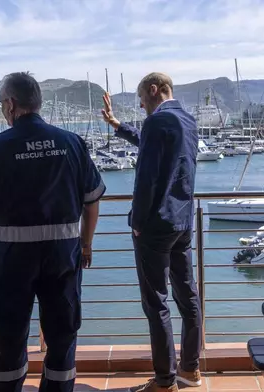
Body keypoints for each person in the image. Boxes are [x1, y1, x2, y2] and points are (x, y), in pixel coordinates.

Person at [0, 72, 104, 392]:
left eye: (1, 103)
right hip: (64, 253)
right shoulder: (71, 142)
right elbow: (91, 202)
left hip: (12, 256)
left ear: (11, 104)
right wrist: (86, 244)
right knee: (63, 333)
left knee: (8, 334)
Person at [101, 72, 202, 392]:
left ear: (155, 90)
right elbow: (158, 148)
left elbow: (145, 180)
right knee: (187, 297)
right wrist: (118, 126)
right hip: (183, 222)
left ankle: (164, 381)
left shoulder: (157, 122)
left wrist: (137, 223)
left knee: (155, 302)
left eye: (142, 99)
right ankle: (191, 368)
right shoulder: (187, 120)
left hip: (156, 225)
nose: (141, 105)